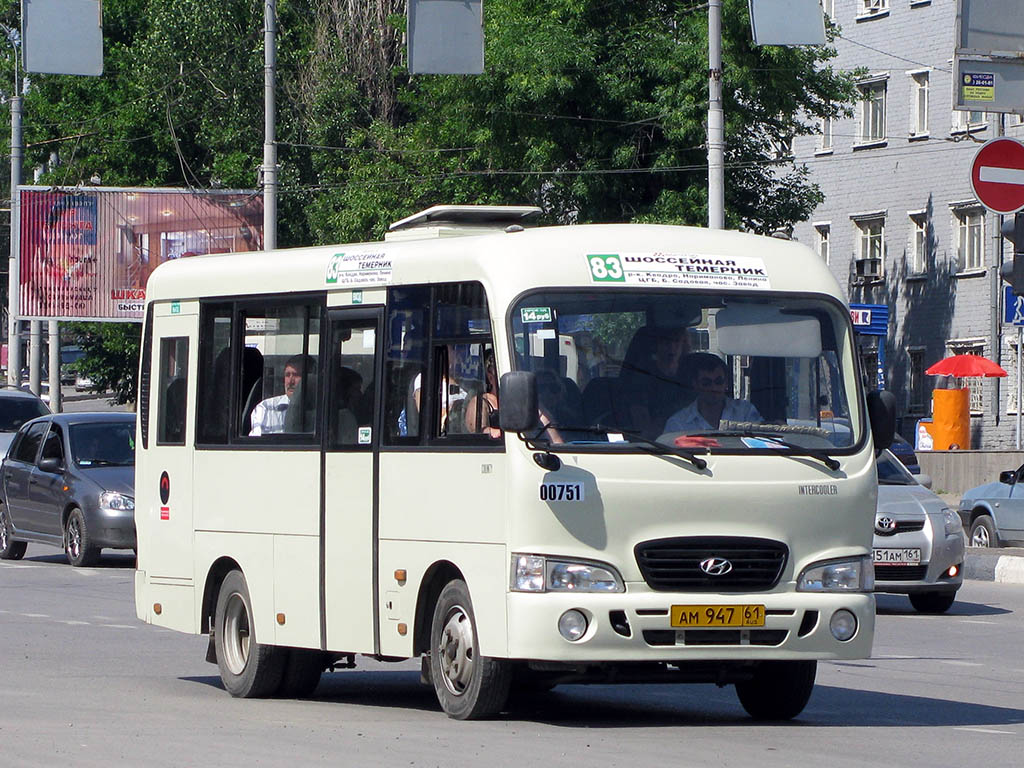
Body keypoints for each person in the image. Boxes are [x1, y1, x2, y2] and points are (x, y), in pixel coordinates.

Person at [662, 352, 761, 434]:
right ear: (695, 385)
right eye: (706, 383)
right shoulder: (678, 423)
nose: (713, 388)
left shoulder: (745, 412)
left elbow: (763, 442)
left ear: (726, 383)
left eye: (719, 382)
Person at [620, 326, 692, 437]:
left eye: (677, 341)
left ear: (684, 344)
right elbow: (643, 428)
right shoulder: (642, 379)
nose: (672, 348)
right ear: (656, 345)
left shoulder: (691, 376)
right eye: (666, 342)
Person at [249, 354, 314, 436]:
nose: (290, 382)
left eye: (297, 375)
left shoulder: (322, 411)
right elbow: (256, 445)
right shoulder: (266, 408)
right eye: (287, 375)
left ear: (311, 378)